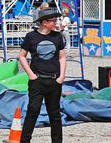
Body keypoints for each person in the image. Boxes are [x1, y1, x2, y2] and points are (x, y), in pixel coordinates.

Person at [18, 8, 67, 143]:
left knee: (55, 114)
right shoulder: (31, 37)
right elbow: (22, 56)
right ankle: (25, 140)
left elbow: (62, 57)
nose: (56, 23)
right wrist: (31, 75)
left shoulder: (57, 36)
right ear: (44, 22)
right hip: (37, 81)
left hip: (54, 80)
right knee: (33, 110)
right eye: (53, 21)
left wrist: (61, 76)